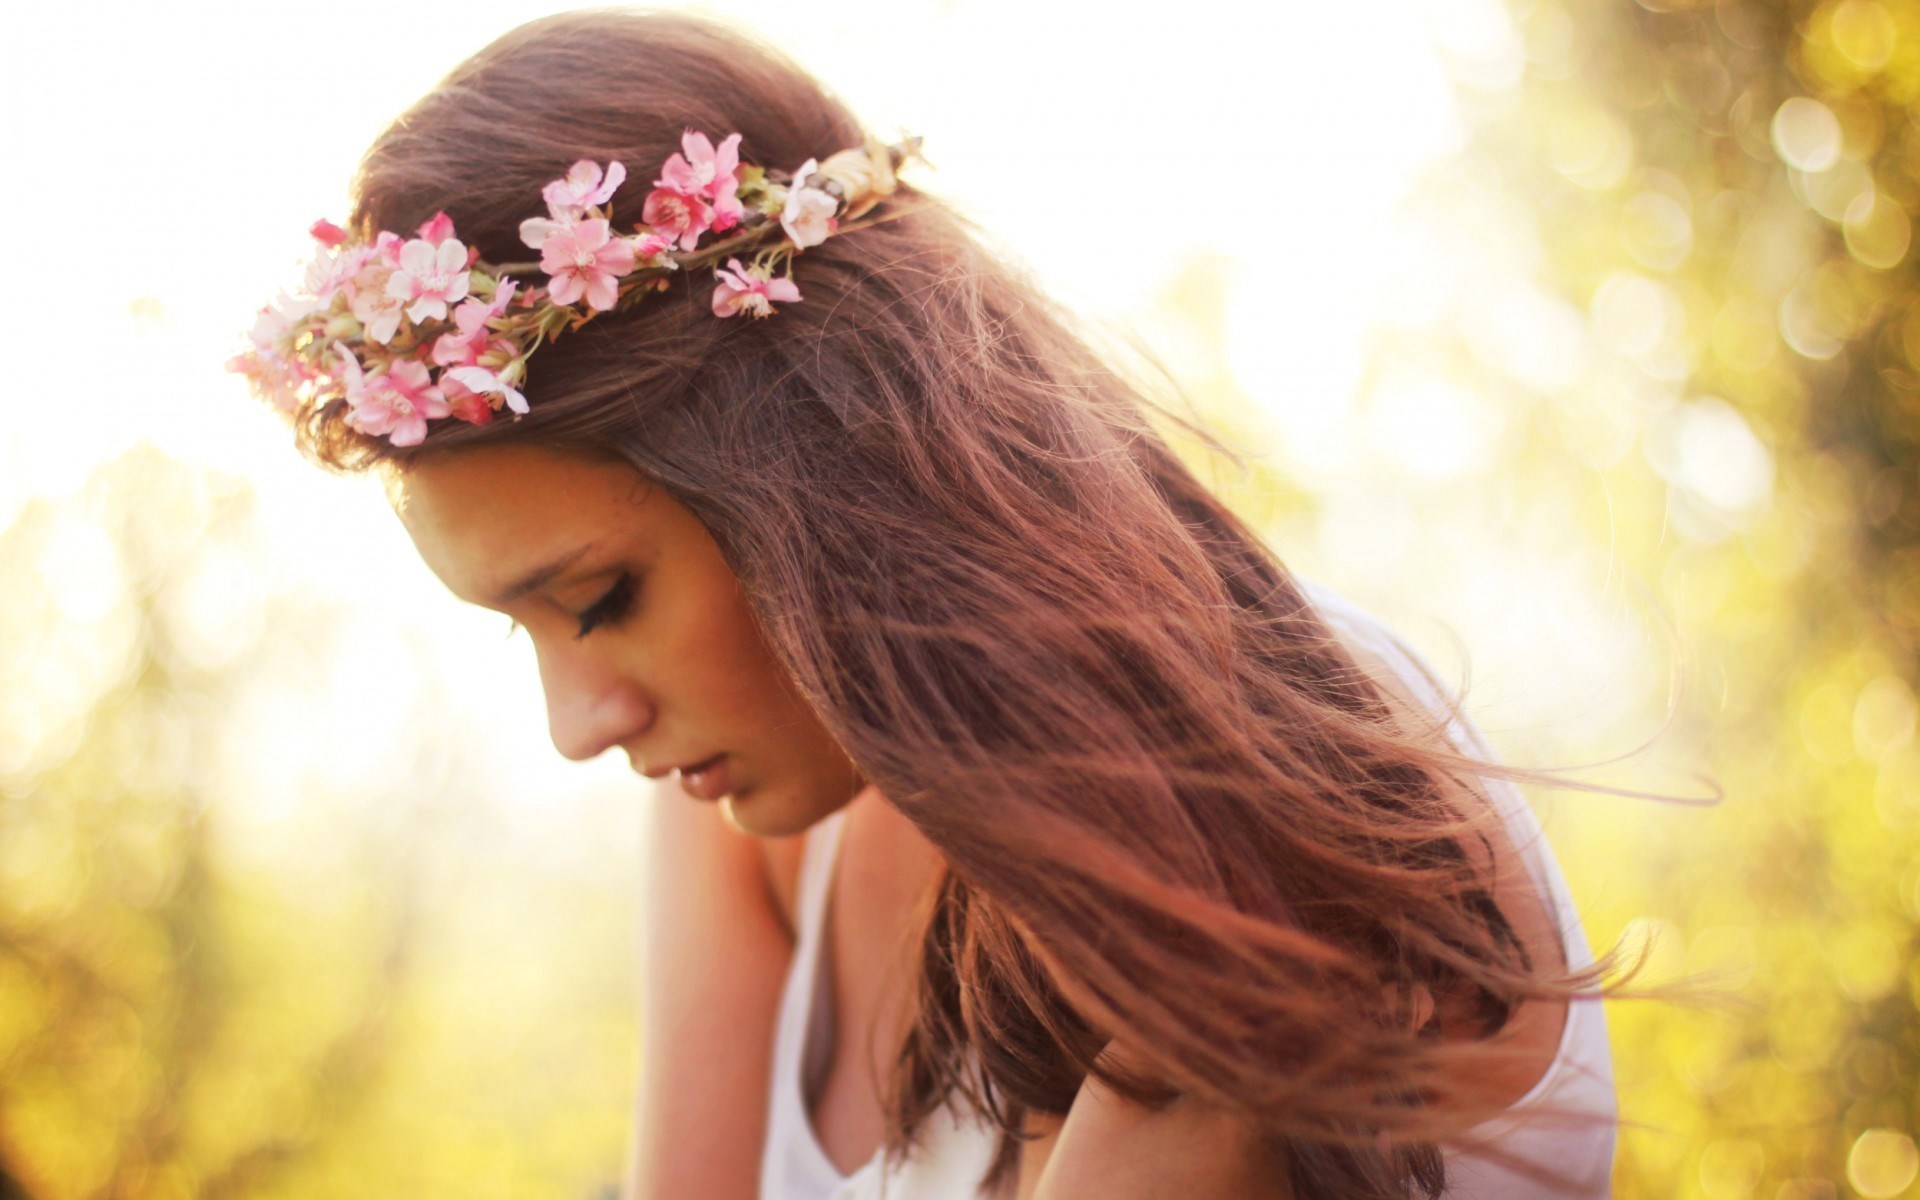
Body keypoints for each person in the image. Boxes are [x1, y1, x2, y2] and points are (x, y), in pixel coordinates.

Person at [233, 10, 1621, 1198]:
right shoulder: (746, 809)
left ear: (816, 467)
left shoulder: (1255, 814)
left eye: (599, 601)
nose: (578, 726)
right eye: (522, 629)